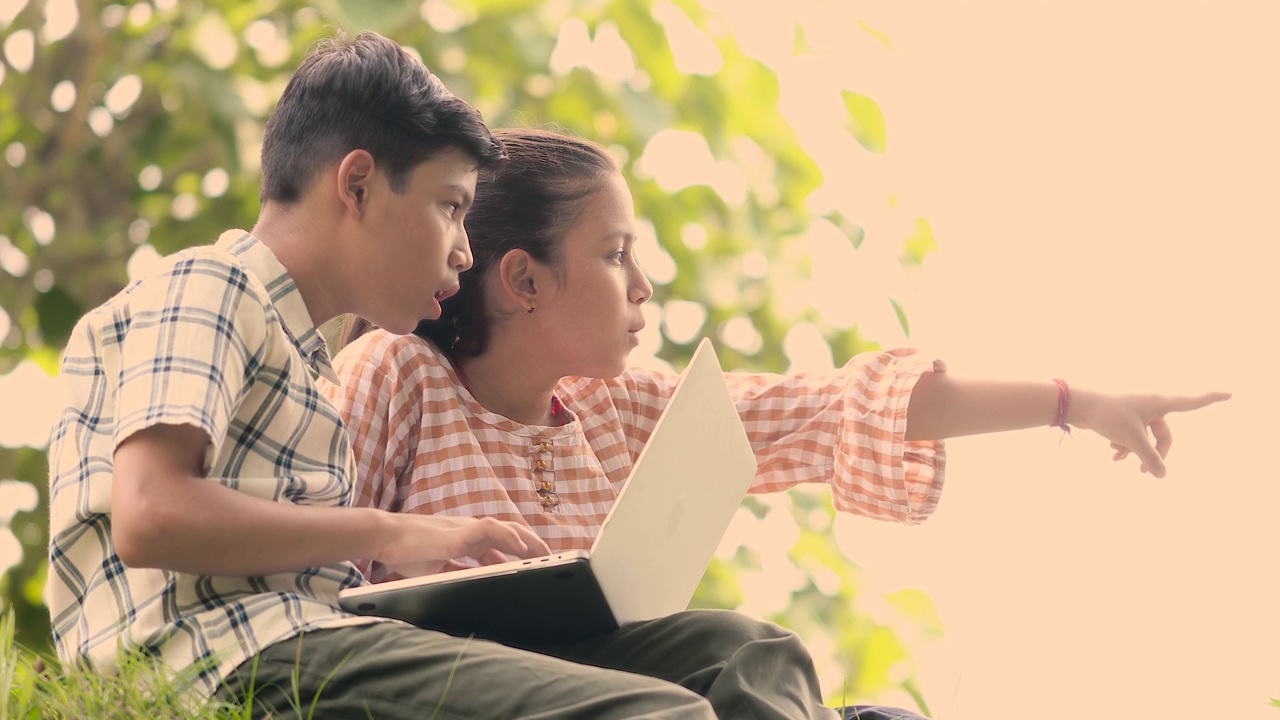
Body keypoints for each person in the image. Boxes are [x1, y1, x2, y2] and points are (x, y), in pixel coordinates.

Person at [323, 127, 1231, 717]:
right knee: (743, 656)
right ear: (522, 281)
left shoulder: (616, 409)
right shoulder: (397, 374)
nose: (643, 287)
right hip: (455, 686)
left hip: (614, 684)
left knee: (762, 657)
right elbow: (301, 572)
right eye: (614, 255)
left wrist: (1071, 403)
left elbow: (845, 407)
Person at [43, 32, 792, 720]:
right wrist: (404, 533)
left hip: (311, 637)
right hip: (227, 655)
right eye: (449, 207)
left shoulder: (302, 360)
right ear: (359, 185)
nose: (465, 252)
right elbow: (148, 516)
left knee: (736, 651)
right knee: (661, 714)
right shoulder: (210, 285)